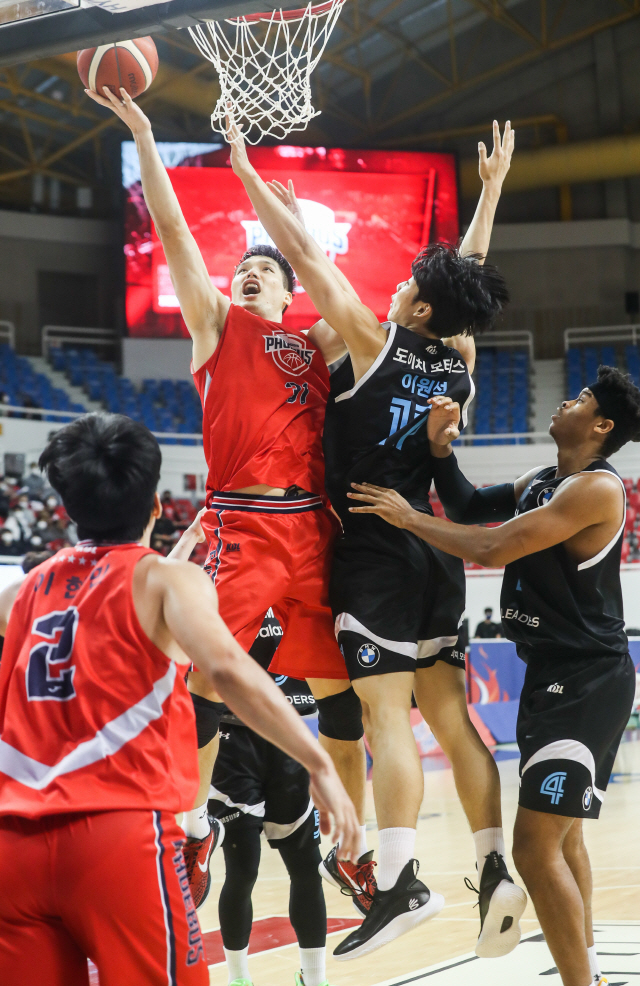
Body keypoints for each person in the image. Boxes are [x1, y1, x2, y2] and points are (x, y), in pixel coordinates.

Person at [226, 112, 526, 960]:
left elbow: (313, 264)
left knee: (386, 715)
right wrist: (492, 189)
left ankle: (399, 881)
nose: (393, 288)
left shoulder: (376, 338)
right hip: (433, 547)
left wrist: (254, 182)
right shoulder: (459, 354)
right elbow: (464, 279)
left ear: (415, 306)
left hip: (374, 546)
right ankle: (492, 861)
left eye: (405, 286)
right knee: (451, 714)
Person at [87, 86, 371, 909]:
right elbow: (172, 232)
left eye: (261, 274)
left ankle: (354, 846)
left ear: (286, 292)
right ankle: (195, 826)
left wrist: (296, 233)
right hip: (240, 523)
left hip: (311, 527)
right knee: (207, 682)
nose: (247, 279)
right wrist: (144, 132)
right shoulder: (217, 327)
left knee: (337, 687)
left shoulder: (316, 340)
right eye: (241, 272)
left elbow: (336, 283)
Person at [0, 411, 360, 986]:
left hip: (13, 845)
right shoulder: (168, 583)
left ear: (69, 507)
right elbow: (224, 668)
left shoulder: (22, 593)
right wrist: (320, 761)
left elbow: (99, 593)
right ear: (155, 506)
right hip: (114, 837)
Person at [348, 365, 638, 986]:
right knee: (565, 843)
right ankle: (588, 974)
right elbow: (466, 505)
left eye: (582, 398)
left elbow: (490, 547)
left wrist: (407, 518)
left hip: (588, 681)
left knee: (535, 849)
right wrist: (439, 447)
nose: (568, 400)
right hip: (549, 674)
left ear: (603, 426)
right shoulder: (543, 479)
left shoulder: (596, 491)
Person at [170, 515, 336, 986]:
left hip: (287, 741)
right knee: (241, 871)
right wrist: (188, 541)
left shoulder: (303, 577)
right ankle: (239, 978)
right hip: (231, 743)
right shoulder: (214, 583)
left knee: (304, 866)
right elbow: (159, 599)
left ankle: (314, 978)